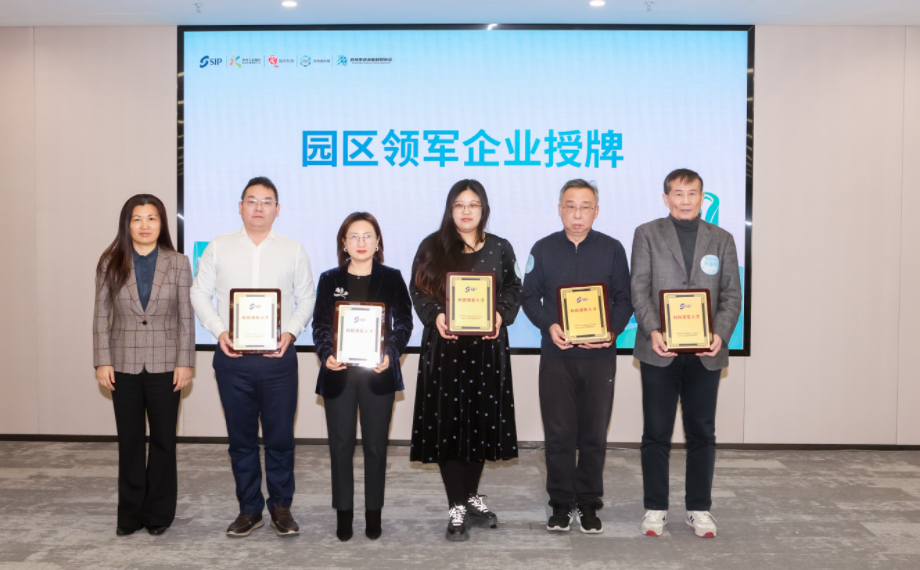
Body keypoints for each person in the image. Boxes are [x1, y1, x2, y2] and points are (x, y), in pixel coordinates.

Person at [190, 176, 316, 538]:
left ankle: (281, 507)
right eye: (252, 200)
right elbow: (199, 293)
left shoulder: (293, 250)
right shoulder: (218, 247)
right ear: (240, 206)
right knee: (241, 440)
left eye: (266, 201)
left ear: (278, 209)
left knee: (280, 439)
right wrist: (219, 330)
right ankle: (249, 509)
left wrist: (290, 332)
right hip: (233, 360)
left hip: (279, 360)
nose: (259, 207)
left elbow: (307, 298)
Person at [409, 179, 522, 542]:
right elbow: (417, 290)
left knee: (481, 425)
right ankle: (456, 505)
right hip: (446, 349)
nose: (466, 211)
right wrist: (436, 316)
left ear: (483, 209)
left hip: (487, 349)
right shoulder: (432, 246)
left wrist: (500, 314)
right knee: (449, 425)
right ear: (450, 209)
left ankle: (471, 496)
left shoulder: (500, 247)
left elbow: (514, 288)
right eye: (459, 204)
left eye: (473, 204)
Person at [630, 168, 741, 538]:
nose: (685, 200)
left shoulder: (722, 238)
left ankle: (698, 509)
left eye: (692, 193)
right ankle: (655, 509)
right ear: (666, 199)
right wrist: (653, 331)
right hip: (659, 350)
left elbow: (731, 294)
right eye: (678, 193)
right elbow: (639, 289)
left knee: (702, 433)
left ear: (702, 197)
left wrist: (720, 334)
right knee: (656, 433)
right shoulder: (647, 233)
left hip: (705, 353)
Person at [521, 179, 633, 534]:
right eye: (570, 206)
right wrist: (549, 325)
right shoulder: (543, 249)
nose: (578, 214)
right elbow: (528, 297)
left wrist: (611, 332)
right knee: (559, 435)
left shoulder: (612, 249)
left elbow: (625, 299)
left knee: (594, 435)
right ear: (560, 210)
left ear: (596, 211)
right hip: (557, 356)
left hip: (600, 358)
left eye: (585, 207)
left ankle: (588, 502)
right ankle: (560, 503)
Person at [93, 194, 194, 537]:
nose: (145, 225)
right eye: (137, 219)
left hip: (167, 365)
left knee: (164, 440)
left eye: (152, 218)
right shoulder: (110, 262)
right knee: (130, 441)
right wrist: (102, 360)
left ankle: (158, 514)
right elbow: (100, 316)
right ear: (127, 224)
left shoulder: (178, 263)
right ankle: (130, 514)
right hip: (122, 364)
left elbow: (185, 317)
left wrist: (185, 362)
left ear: (162, 223)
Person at [312, 212, 413, 542]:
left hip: (377, 375)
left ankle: (373, 513)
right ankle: (343, 514)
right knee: (340, 447)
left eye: (368, 236)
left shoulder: (391, 277)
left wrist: (391, 353)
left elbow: (404, 323)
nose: (361, 242)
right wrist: (327, 353)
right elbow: (321, 325)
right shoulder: (330, 279)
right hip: (339, 375)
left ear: (378, 241)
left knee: (376, 448)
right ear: (344, 242)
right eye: (353, 236)